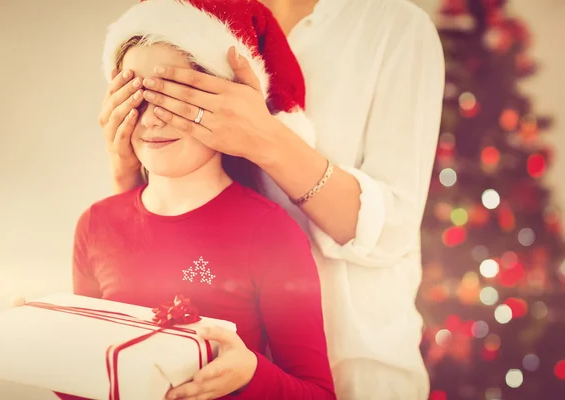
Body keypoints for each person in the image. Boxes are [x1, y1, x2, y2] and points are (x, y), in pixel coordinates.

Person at [103, 0, 445, 399]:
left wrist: (268, 140)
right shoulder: (191, 13)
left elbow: (391, 231)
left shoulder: (393, 27)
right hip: (208, 364)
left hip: (358, 365)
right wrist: (128, 175)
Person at [61, 1, 337, 399]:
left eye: (175, 96)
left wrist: (252, 374)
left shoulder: (272, 234)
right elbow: (88, 380)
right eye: (136, 96)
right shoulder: (94, 225)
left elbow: (318, 394)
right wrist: (44, 345)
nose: (152, 119)